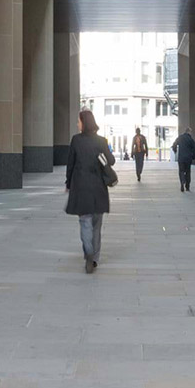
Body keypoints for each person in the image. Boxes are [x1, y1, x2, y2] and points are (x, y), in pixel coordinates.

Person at [66, 109, 115, 273]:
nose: (77, 123)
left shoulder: (76, 140)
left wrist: (68, 183)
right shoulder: (101, 141)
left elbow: (70, 164)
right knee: (96, 226)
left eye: (78, 121)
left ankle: (88, 251)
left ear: (84, 122)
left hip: (81, 189)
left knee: (85, 223)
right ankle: (94, 258)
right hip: (98, 189)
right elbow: (111, 161)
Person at [172, 126, 195, 191]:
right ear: (189, 132)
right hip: (188, 159)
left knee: (181, 171)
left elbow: (174, 145)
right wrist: (193, 156)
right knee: (188, 172)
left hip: (181, 158)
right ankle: (187, 186)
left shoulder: (180, 137)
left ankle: (182, 183)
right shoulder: (190, 139)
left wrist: (175, 151)